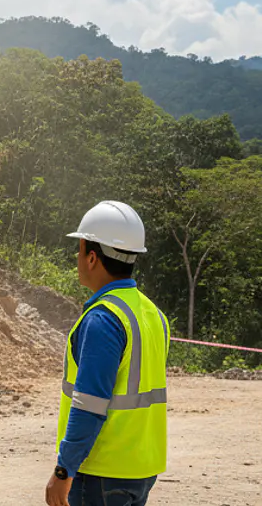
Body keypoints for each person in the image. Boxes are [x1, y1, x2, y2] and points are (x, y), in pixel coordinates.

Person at [45, 200, 170, 506]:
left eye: (79, 250)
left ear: (91, 257)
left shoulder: (104, 319)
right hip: (141, 468)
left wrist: (64, 470)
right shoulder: (152, 314)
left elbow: (90, 404)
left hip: (102, 472)